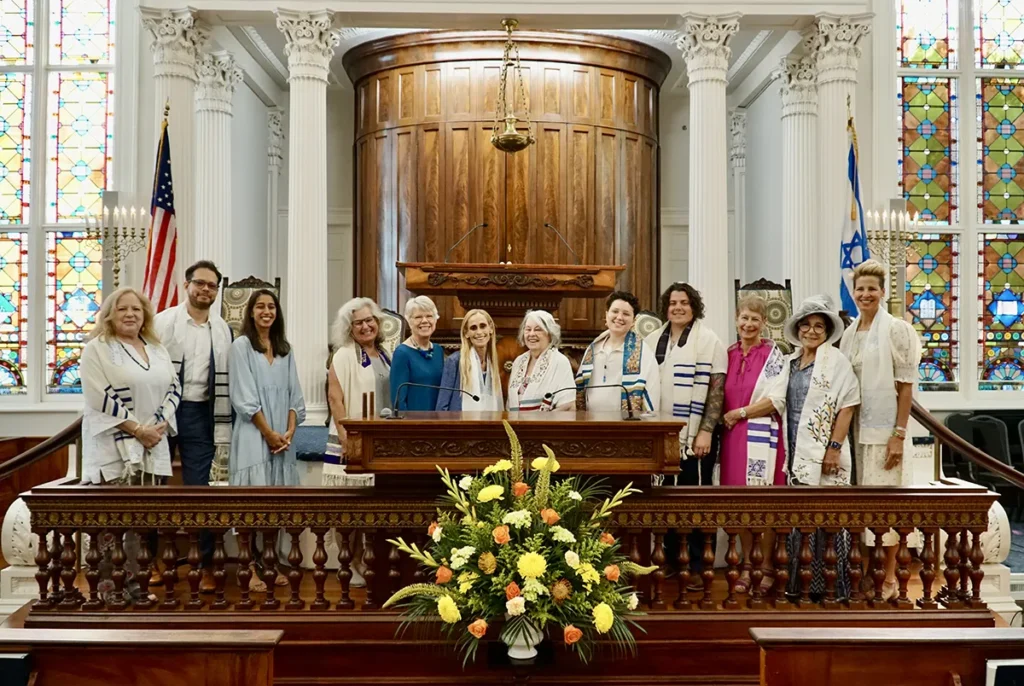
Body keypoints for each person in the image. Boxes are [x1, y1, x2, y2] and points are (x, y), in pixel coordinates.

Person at [743, 294, 860, 599]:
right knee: (801, 521)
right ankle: (801, 587)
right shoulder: (791, 361)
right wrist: (741, 413)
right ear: (798, 329)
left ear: (827, 330)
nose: (811, 331)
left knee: (829, 521)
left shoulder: (836, 361)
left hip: (826, 453)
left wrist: (834, 447)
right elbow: (776, 398)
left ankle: (834, 590)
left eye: (818, 326)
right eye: (806, 325)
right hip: (796, 454)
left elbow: (848, 405)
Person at [80, 287, 181, 604]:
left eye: (136, 309)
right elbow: (98, 395)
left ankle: (137, 587)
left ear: (145, 315)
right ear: (110, 313)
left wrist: (156, 425)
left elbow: (174, 388)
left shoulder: (156, 348)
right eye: (122, 308)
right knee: (114, 522)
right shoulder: (97, 348)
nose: (129, 314)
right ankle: (110, 592)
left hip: (153, 445)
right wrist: (136, 428)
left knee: (141, 523)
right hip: (114, 449)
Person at [840, 259, 923, 602]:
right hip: (853, 430)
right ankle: (866, 572)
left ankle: (889, 576)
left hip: (883, 428)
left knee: (886, 503)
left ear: (883, 292)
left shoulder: (896, 329)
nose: (865, 294)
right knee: (861, 504)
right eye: (860, 289)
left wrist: (898, 434)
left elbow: (905, 386)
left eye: (872, 289)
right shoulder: (849, 332)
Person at [153, 259, 232, 593]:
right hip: (161, 414)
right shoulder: (163, 322)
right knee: (155, 487)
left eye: (212, 285)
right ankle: (154, 561)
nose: (205, 290)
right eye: (199, 283)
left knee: (201, 491)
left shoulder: (221, 329)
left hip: (202, 414)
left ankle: (205, 563)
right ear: (186, 285)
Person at [720, 295, 787, 593]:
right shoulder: (728, 353)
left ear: (764, 322)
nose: (749, 324)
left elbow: (776, 400)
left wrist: (741, 413)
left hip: (763, 439)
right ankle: (748, 565)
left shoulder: (773, 355)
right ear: (736, 319)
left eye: (755, 319)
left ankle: (768, 566)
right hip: (733, 440)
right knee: (740, 504)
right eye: (744, 318)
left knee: (765, 504)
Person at [645, 283, 726, 483]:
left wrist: (706, 432)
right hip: (659, 431)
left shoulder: (709, 340)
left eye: (684, 303)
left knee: (690, 492)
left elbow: (717, 390)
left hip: (694, 435)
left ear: (694, 307)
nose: (678, 308)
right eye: (672, 303)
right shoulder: (651, 340)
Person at [228, 289, 306, 487]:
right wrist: (268, 434)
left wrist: (289, 432)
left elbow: (294, 394)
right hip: (253, 431)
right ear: (251, 312)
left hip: (282, 436)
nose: (266, 311)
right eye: (260, 306)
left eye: (271, 307)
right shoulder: (241, 346)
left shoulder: (285, 349)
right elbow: (245, 398)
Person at [324, 297, 391, 487]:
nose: (366, 326)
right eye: (358, 323)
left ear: (377, 322)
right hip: (355, 440)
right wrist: (345, 439)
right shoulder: (344, 355)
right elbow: (335, 399)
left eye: (369, 320)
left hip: (381, 438)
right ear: (349, 328)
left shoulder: (385, 354)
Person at [575, 291, 660, 414]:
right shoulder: (593, 349)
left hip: (626, 427)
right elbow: (580, 389)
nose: (619, 317)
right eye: (615, 311)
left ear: (634, 320)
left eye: (626, 314)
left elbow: (652, 393)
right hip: (591, 423)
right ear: (606, 314)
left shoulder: (644, 353)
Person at [507, 310, 576, 412]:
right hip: (514, 426)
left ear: (550, 334)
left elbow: (568, 406)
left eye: (538, 329)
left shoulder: (560, 362)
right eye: (528, 329)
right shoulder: (518, 362)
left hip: (545, 427)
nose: (531, 334)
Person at [436, 309, 503, 411]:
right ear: (466, 333)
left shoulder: (493, 361)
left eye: (483, 326)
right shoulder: (454, 361)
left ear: (491, 329)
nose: (479, 332)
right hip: (461, 425)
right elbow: (441, 407)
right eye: (473, 328)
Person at [389, 296, 445, 412]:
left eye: (429, 316)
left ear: (435, 319)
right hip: (414, 423)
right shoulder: (402, 353)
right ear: (409, 321)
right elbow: (398, 401)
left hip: (439, 420)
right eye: (418, 317)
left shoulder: (438, 351)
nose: (424, 321)